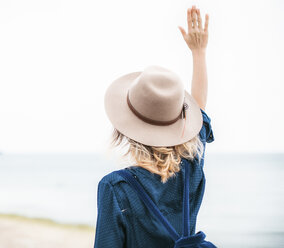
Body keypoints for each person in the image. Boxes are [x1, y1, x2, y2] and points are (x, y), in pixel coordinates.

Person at [94, 5, 214, 248]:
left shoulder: (116, 188)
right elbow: (200, 111)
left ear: (122, 129)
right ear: (182, 122)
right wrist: (199, 52)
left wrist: (198, 52)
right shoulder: (190, 167)